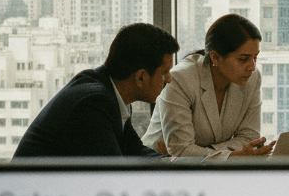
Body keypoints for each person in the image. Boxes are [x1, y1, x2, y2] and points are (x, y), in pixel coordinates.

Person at [13, 22, 179, 159]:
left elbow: (134, 150)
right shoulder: (93, 104)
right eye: (164, 73)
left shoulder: (111, 93)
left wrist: (171, 164)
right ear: (141, 77)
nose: (169, 79)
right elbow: (114, 178)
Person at [144, 13, 275, 159]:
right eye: (243, 59)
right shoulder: (181, 78)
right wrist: (231, 156)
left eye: (255, 57)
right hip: (160, 167)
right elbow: (181, 151)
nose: (252, 66)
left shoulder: (252, 77)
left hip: (214, 170)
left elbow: (249, 137)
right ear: (215, 58)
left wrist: (212, 153)